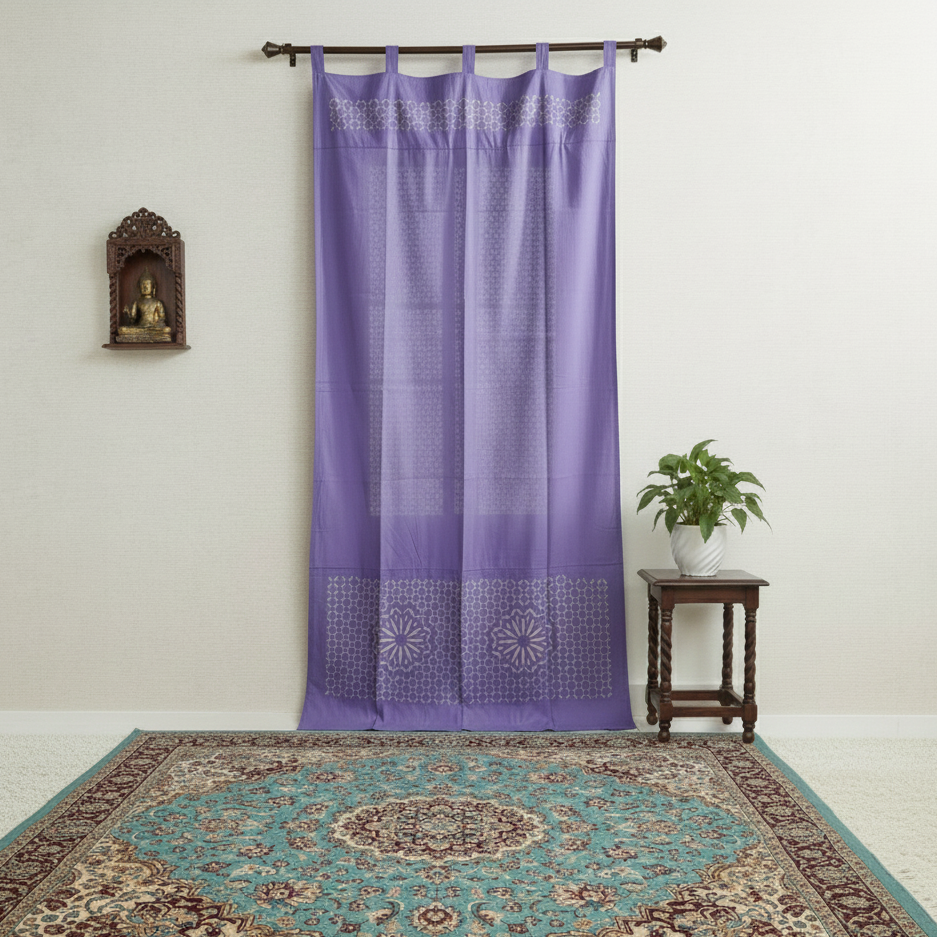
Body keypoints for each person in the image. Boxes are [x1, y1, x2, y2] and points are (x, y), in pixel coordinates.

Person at [118, 270, 171, 341]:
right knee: (122, 330)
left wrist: (157, 324)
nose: (145, 286)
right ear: (139, 287)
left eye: (147, 284)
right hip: (140, 327)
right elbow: (133, 320)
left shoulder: (157, 302)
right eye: (143, 284)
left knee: (166, 330)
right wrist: (128, 314)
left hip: (153, 328)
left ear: (153, 287)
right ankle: (147, 336)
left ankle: (147, 336)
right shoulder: (137, 302)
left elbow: (162, 318)